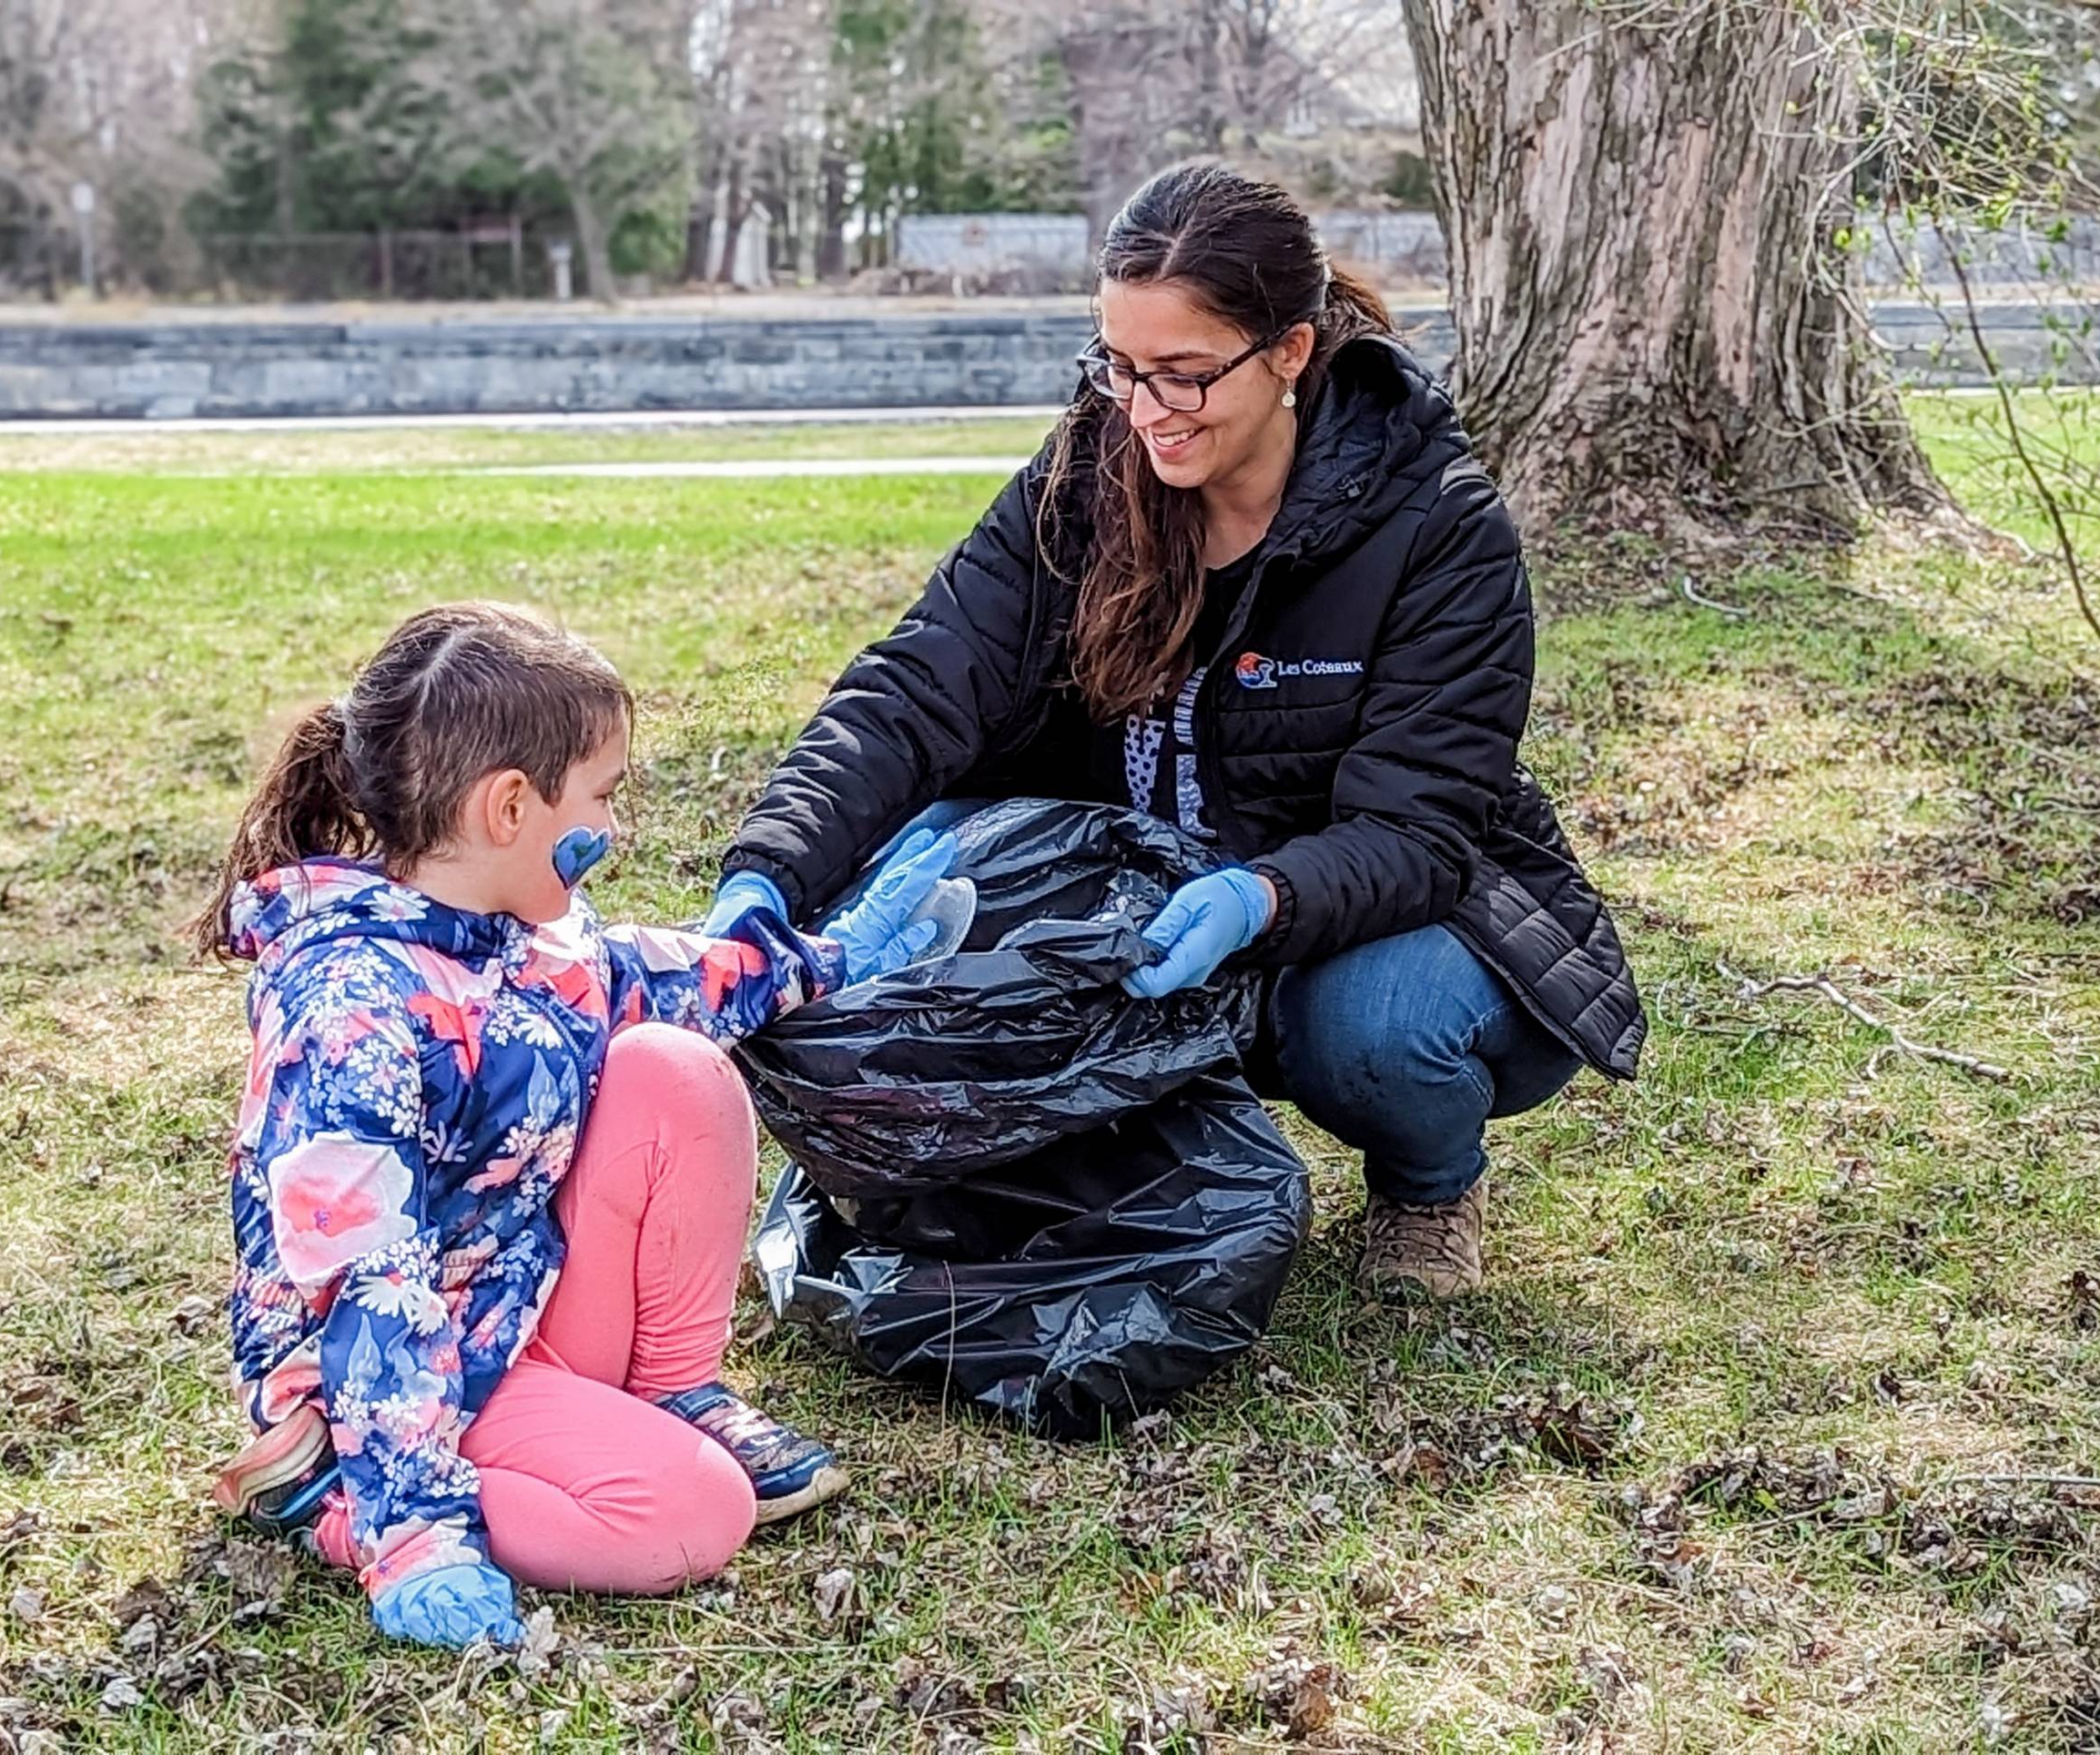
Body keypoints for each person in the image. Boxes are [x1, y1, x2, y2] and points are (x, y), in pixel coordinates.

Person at [705, 165, 1644, 1301]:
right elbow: (917, 686)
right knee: (883, 888)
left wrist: (1259, 900)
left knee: (1372, 1028)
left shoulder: (1434, 525)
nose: (1147, 412)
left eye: (1187, 375)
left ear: (1290, 350)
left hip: (1365, 916)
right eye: (1122, 367)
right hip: (1127, 896)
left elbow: (1419, 831)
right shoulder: (1087, 473)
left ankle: (1429, 1180)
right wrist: (765, 872)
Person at [195, 602, 954, 1650]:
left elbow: (661, 981)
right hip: (379, 1377)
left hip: (518, 1305)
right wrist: (413, 1528)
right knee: (692, 1516)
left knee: (674, 1070)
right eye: (600, 795)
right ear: (510, 805)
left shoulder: (520, 936)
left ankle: (670, 1390)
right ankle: (329, 1493)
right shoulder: (349, 1011)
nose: (614, 826)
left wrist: (831, 957)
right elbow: (365, 1281)